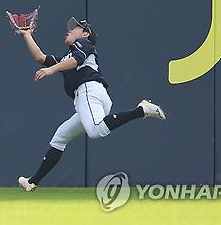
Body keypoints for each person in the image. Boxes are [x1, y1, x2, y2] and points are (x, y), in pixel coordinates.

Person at [16, 17, 166, 192]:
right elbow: (40, 57)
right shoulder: (67, 56)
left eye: (75, 28)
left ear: (85, 34)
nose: (69, 30)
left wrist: (51, 70)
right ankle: (32, 181)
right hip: (90, 98)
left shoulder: (83, 44)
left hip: (88, 91)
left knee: (96, 131)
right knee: (60, 137)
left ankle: (141, 110)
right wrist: (26, 34)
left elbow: (77, 60)